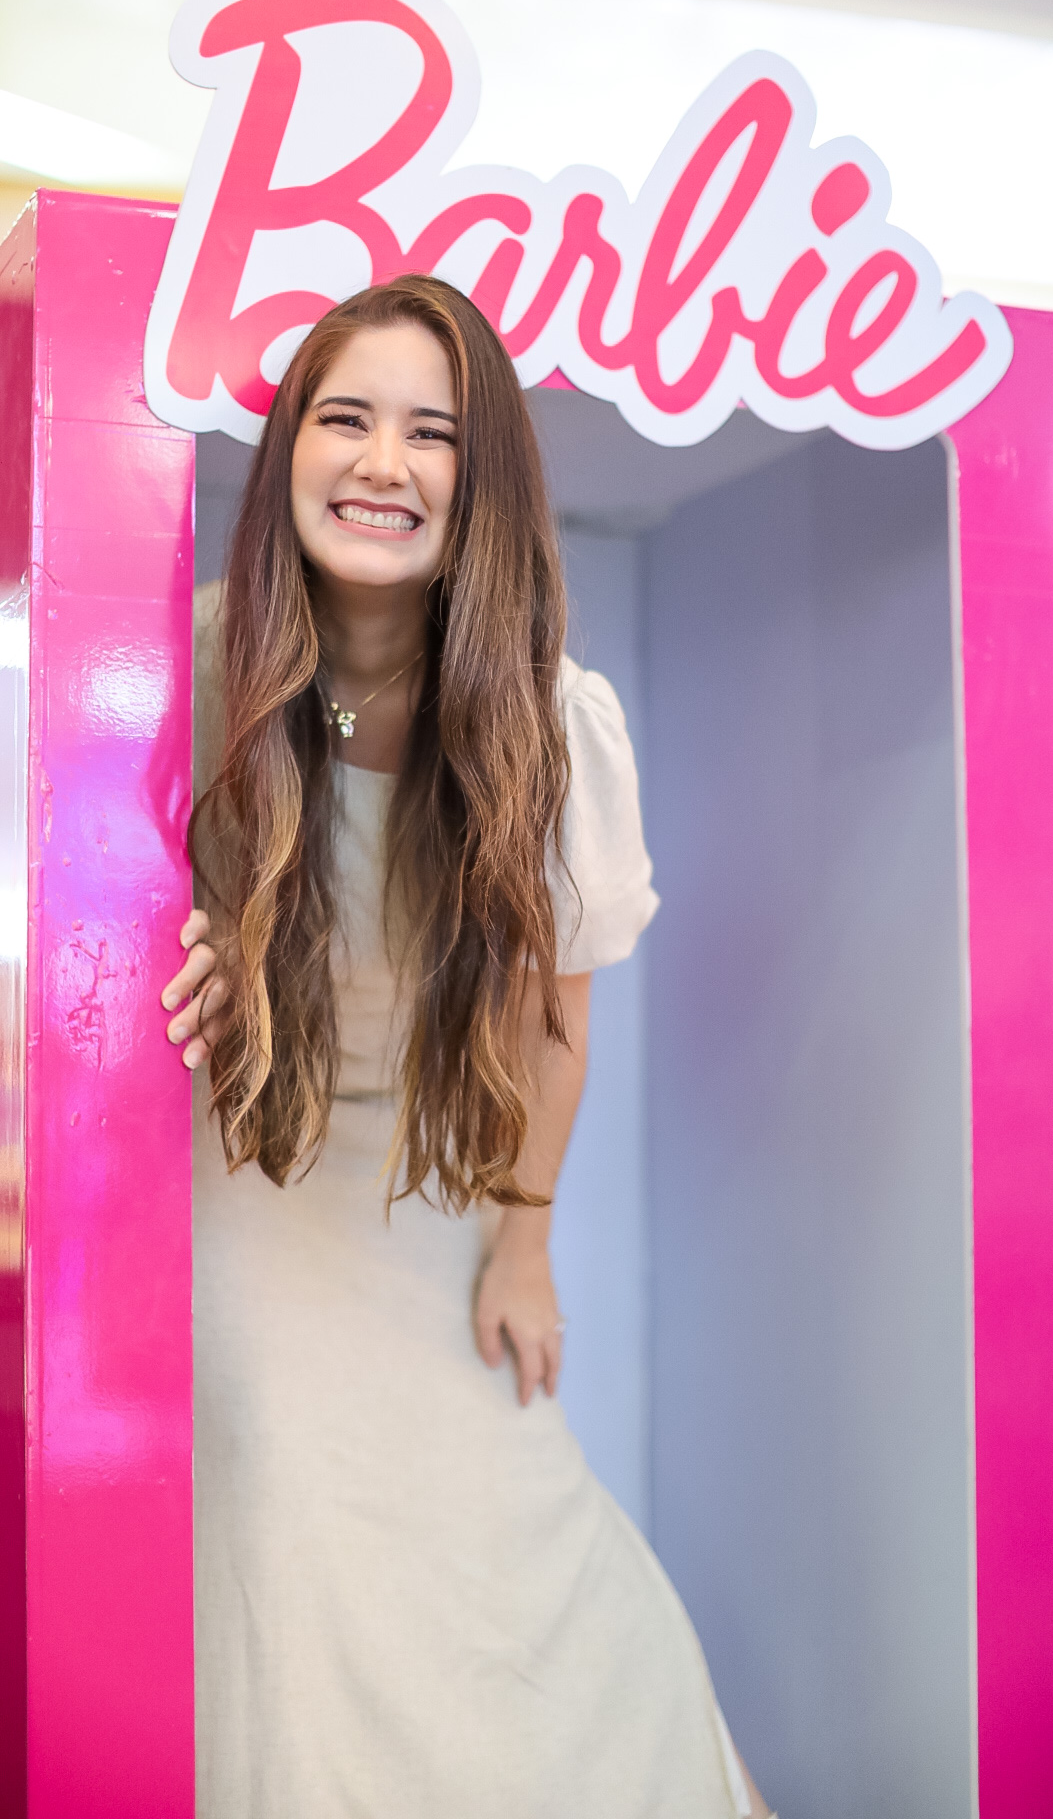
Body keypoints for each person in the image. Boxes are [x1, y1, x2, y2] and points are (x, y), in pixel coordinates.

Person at [162, 274, 775, 1819]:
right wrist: (190, 955)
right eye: (345, 418)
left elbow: (556, 1017)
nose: (384, 462)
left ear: (478, 476)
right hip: (251, 1176)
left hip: (434, 1191)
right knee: (290, 1538)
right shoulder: (197, 659)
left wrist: (524, 1243)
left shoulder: (551, 720)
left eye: (430, 433)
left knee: (520, 1542)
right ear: (290, 448)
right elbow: (102, 936)